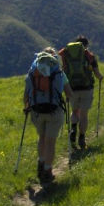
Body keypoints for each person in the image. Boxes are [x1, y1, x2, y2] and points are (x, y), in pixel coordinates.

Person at [23, 47, 73, 184]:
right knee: (51, 141)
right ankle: (47, 170)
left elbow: (26, 96)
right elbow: (69, 94)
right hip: (54, 111)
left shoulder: (33, 73)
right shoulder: (59, 73)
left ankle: (41, 163)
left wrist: (26, 107)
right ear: (54, 58)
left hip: (37, 111)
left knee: (42, 138)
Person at [58, 36, 104, 150]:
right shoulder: (89, 56)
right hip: (86, 88)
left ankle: (73, 129)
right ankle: (82, 138)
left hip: (72, 88)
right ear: (85, 45)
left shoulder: (67, 55)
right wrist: (101, 77)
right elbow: (97, 74)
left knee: (75, 112)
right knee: (84, 114)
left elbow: (63, 71)